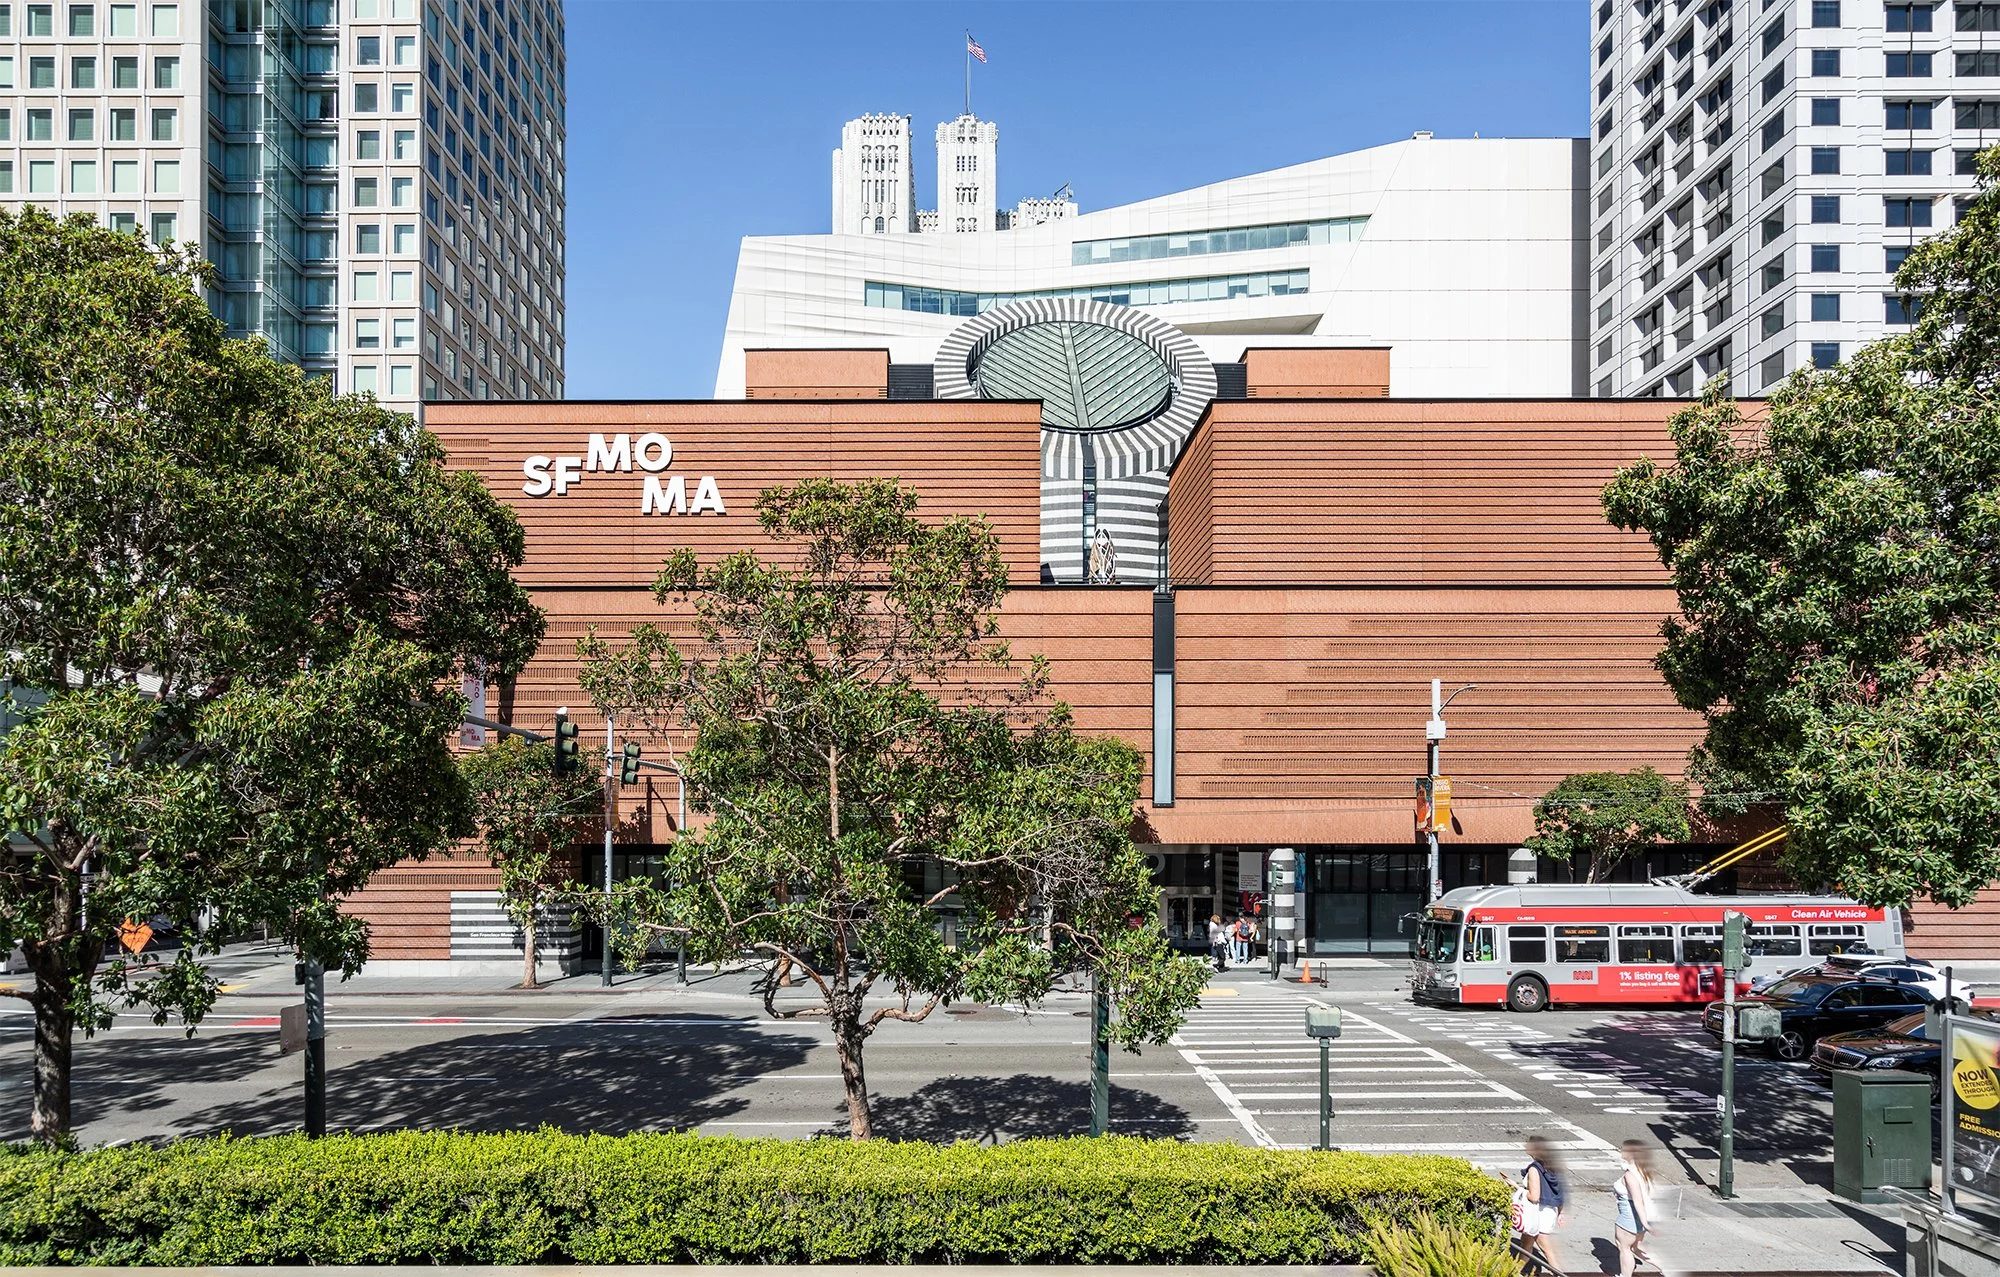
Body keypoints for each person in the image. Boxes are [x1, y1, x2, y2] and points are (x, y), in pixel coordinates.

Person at [1518, 1135, 1566, 1275]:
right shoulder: (1551, 1168)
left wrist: (1518, 1189)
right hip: (1549, 1212)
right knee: (1525, 1245)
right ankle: (1514, 1272)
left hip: (1537, 1214)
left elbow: (1534, 1196)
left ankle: (1560, 1274)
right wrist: (1560, 1212)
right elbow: (1558, 1192)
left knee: (1547, 1250)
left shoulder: (1534, 1169)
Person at [1611, 1139, 1657, 1276]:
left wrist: (1645, 1224)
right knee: (1637, 1247)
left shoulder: (1630, 1175)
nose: (1621, 1152)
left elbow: (1638, 1201)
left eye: (1623, 1150)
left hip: (1629, 1215)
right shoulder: (1643, 1171)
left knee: (1623, 1247)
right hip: (1640, 1216)